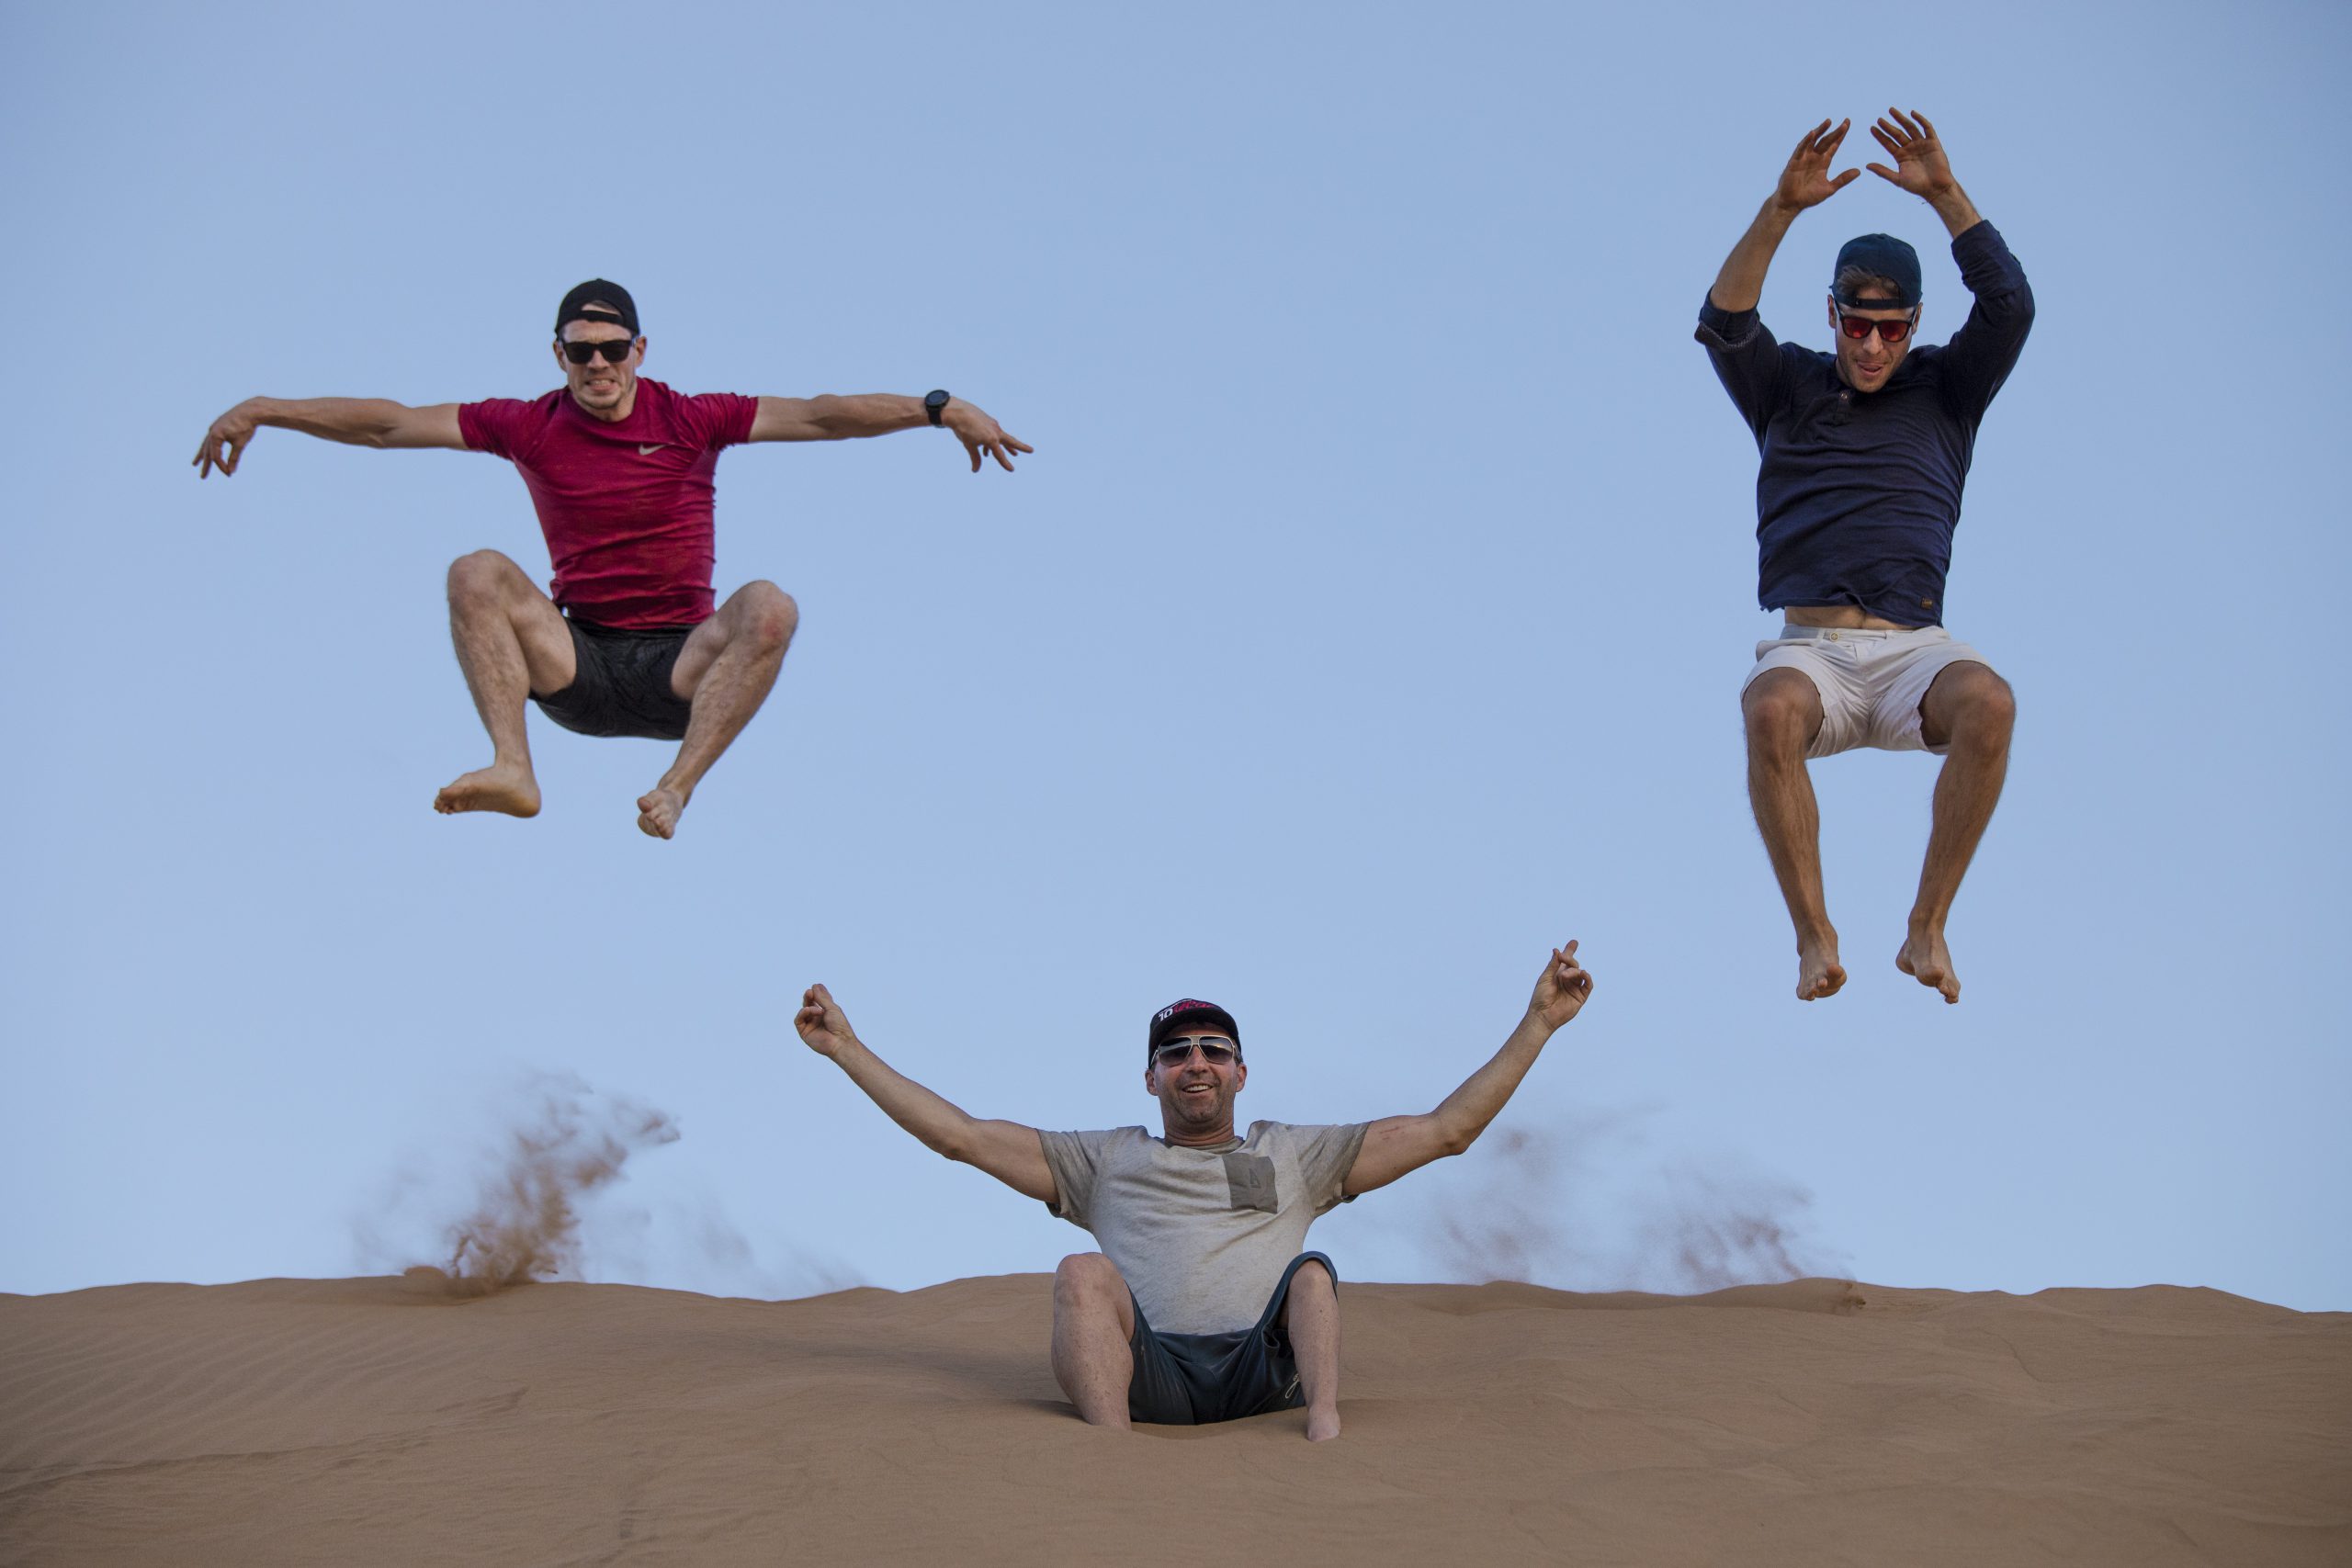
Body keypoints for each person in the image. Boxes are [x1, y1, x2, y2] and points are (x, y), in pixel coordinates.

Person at [193, 279, 1032, 839]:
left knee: (770, 603)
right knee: (475, 569)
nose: (599, 364)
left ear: (640, 349)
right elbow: (390, 422)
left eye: (613, 349)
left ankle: (677, 787)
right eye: (581, 350)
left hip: (683, 669)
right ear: (558, 355)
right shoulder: (527, 423)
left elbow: (821, 417)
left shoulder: (695, 416)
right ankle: (514, 767)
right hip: (578, 661)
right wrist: (267, 408)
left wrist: (938, 407)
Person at [791, 942, 1596, 1441]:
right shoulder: (1103, 1160)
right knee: (1079, 1272)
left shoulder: (1298, 1153)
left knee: (1311, 1271)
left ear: (1241, 1071)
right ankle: (1108, 1461)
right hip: (1151, 1375)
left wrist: (1540, 1023)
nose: (1196, 1061)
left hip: (1259, 1371)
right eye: (1176, 1052)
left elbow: (1447, 1129)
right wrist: (847, 1050)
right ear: (1151, 1077)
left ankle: (1324, 1423)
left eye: (1214, 1048)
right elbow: (960, 1135)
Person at [1696, 111, 2034, 1004]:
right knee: (1768, 709)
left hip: (1915, 654)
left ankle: (1926, 928)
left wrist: (1944, 195)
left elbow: (2011, 308)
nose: (1872, 346)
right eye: (1857, 327)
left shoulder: (1947, 392)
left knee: (1990, 703)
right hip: (1815, 650)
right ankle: (1815, 939)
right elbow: (1724, 319)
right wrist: (1779, 209)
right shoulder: (1788, 387)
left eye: (1890, 330)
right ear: (1834, 317)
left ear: (1913, 325)